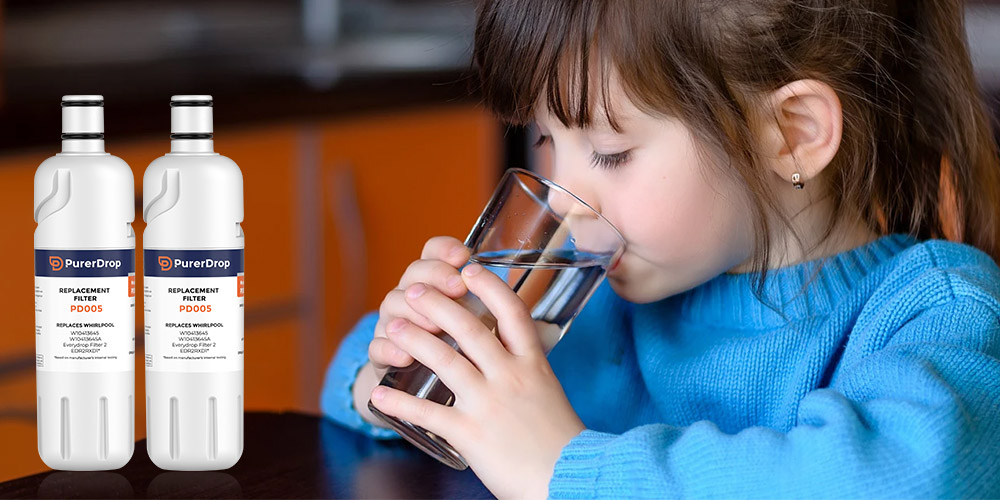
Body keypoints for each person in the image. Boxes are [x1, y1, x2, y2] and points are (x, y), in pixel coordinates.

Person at [321, 0, 1000, 498]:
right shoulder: (580, 305)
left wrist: (563, 468)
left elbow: (910, 475)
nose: (560, 196)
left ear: (791, 134)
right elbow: (351, 378)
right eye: (549, 140)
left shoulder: (930, 311)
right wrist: (400, 366)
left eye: (611, 154)